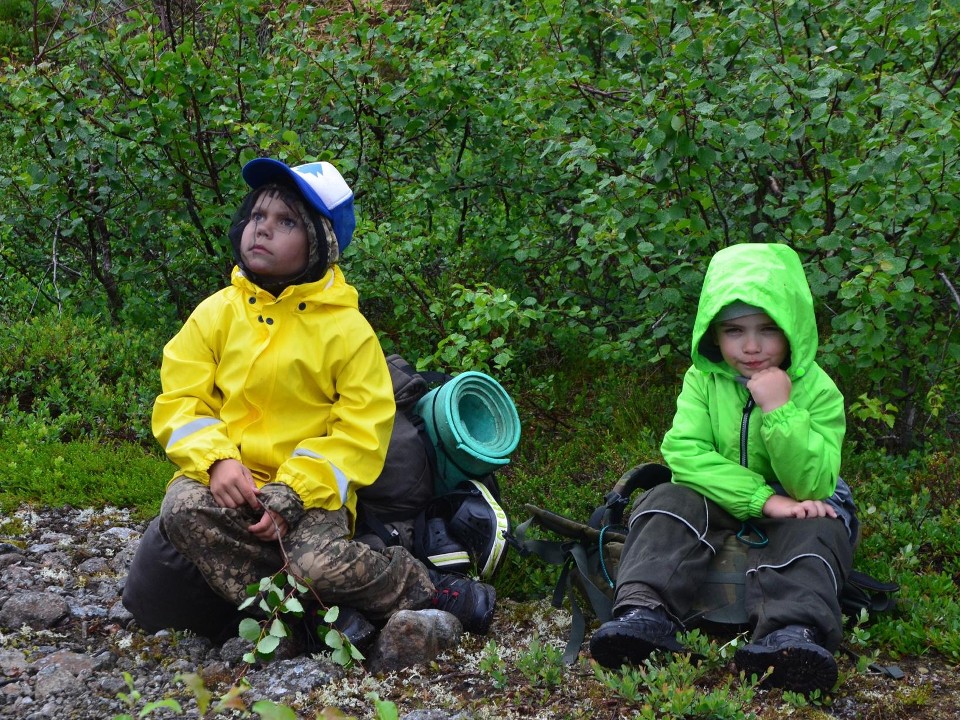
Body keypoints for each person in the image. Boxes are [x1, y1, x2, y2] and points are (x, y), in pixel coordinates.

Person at [138, 156, 495, 650]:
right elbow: (181, 399)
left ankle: (423, 588)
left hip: (314, 494)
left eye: (286, 222)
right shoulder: (215, 313)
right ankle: (305, 618)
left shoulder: (347, 331)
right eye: (257, 216)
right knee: (180, 508)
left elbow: (360, 434)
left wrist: (294, 493)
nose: (262, 230)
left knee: (311, 561)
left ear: (320, 243)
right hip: (230, 480)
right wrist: (216, 460)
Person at [589, 243, 857, 694]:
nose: (751, 347)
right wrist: (761, 499)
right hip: (722, 491)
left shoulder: (820, 390)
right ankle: (643, 614)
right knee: (665, 499)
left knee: (819, 523)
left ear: (794, 329)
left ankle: (790, 636)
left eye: (768, 330)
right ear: (713, 334)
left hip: (801, 494)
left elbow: (813, 483)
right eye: (734, 330)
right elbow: (684, 452)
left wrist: (780, 410)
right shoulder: (703, 380)